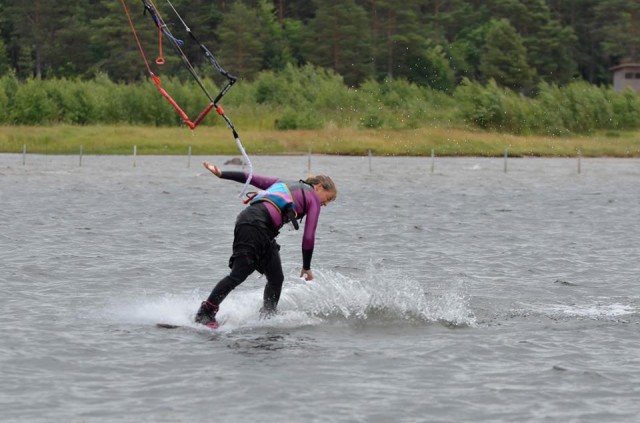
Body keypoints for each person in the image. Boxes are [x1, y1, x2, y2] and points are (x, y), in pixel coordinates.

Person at [195, 161, 337, 328]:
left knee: (276, 277)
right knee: (239, 273)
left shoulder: (283, 183)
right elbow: (308, 237)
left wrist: (222, 173)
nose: (325, 204)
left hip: (257, 227)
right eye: (327, 199)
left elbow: (250, 178)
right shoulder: (312, 197)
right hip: (254, 226)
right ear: (319, 187)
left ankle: (268, 315)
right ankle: (206, 312)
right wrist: (306, 266)